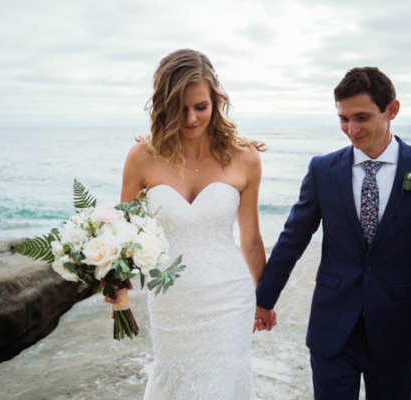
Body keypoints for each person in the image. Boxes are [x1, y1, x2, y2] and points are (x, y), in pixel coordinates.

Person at [254, 67, 411, 399]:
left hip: (399, 332)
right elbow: (294, 238)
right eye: (343, 119)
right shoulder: (323, 170)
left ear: (391, 110)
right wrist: (263, 299)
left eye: (362, 117)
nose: (351, 129)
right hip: (333, 327)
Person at [108, 49, 270, 399]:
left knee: (225, 384)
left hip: (230, 299)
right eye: (180, 108)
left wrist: (265, 297)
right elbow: (122, 232)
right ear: (164, 105)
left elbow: (252, 239)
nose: (191, 118)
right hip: (170, 301)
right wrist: (115, 284)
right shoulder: (142, 157)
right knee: (175, 381)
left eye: (201, 106)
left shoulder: (245, 158)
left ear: (216, 101)